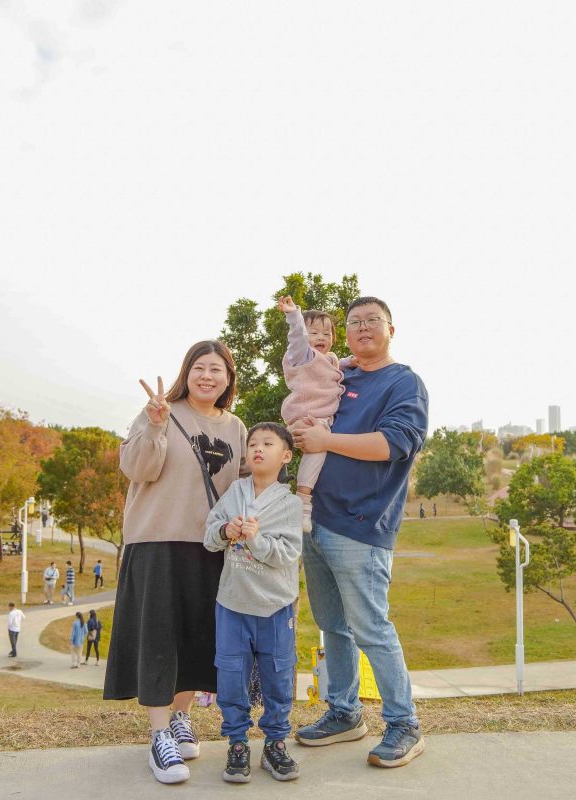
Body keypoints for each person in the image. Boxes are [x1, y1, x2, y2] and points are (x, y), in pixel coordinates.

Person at [289, 296, 429, 769]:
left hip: (361, 527)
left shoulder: (402, 382)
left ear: (392, 328)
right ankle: (345, 712)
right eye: (354, 322)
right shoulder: (340, 374)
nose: (363, 328)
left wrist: (325, 440)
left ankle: (404, 723)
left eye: (373, 321)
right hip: (315, 519)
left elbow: (394, 444)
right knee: (333, 627)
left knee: (371, 628)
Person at [103, 340, 247, 786]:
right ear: (187, 372)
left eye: (217, 369)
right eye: (200, 368)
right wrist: (155, 426)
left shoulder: (236, 426)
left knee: (195, 637)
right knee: (160, 637)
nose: (208, 376)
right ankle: (159, 734)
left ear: (228, 379)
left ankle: (183, 716)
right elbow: (137, 469)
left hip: (209, 545)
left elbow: (242, 486)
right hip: (157, 540)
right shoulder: (159, 411)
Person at [203, 421, 303, 783]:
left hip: (276, 607)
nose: (258, 449)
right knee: (231, 673)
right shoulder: (234, 491)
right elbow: (209, 536)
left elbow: (287, 553)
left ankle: (276, 742)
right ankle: (237, 742)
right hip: (232, 603)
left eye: (268, 443)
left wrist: (256, 540)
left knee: (278, 674)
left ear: (286, 456)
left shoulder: (290, 504)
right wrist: (225, 531)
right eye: (253, 444)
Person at [276, 295, 354, 534]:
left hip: (320, 416)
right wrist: (293, 315)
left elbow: (331, 364)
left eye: (327, 333)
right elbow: (297, 337)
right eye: (315, 332)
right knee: (318, 449)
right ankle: (303, 500)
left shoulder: (327, 359)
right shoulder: (301, 355)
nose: (322, 337)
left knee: (321, 447)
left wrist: (348, 361)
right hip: (307, 415)